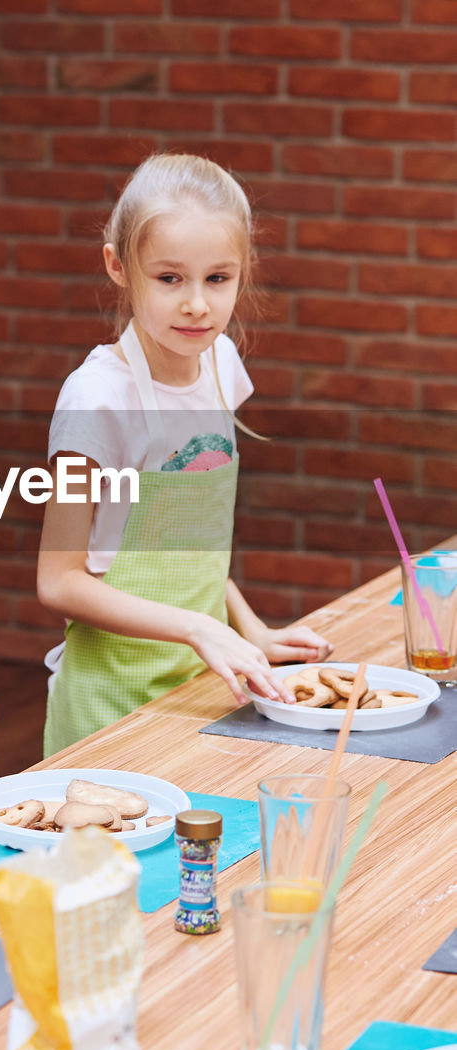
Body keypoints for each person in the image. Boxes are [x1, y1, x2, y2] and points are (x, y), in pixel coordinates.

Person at [37, 152, 333, 755]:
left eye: (217, 278)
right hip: (109, 702)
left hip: (201, 684)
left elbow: (187, 539)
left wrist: (248, 630)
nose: (197, 304)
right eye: (170, 278)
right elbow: (59, 582)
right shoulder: (95, 400)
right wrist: (202, 629)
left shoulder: (222, 364)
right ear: (119, 267)